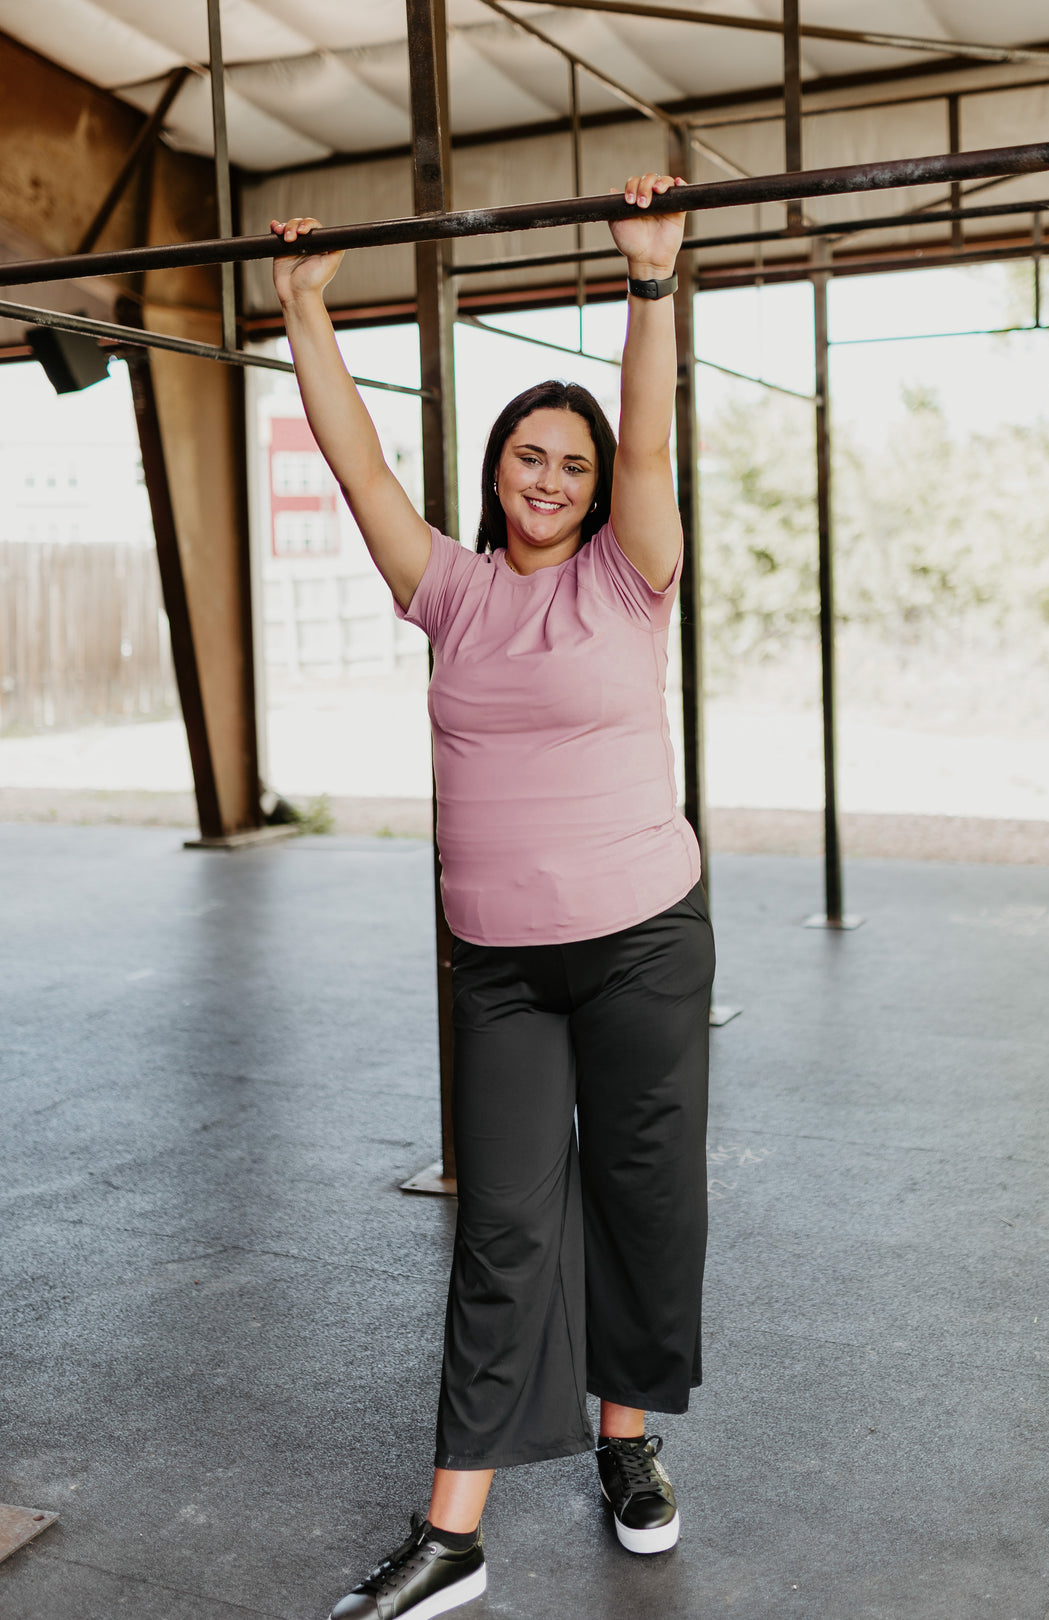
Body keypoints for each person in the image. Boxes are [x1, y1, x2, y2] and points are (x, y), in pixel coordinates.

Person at [270, 171, 715, 1620]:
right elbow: (357, 471)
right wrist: (306, 306)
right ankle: (452, 1535)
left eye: (571, 465)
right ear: (499, 471)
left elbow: (649, 435)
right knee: (505, 1226)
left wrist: (650, 283)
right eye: (530, 456)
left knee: (640, 1198)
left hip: (644, 938)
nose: (551, 477)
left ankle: (627, 1446)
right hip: (504, 965)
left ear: (595, 491)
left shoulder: (631, 577)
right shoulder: (452, 592)